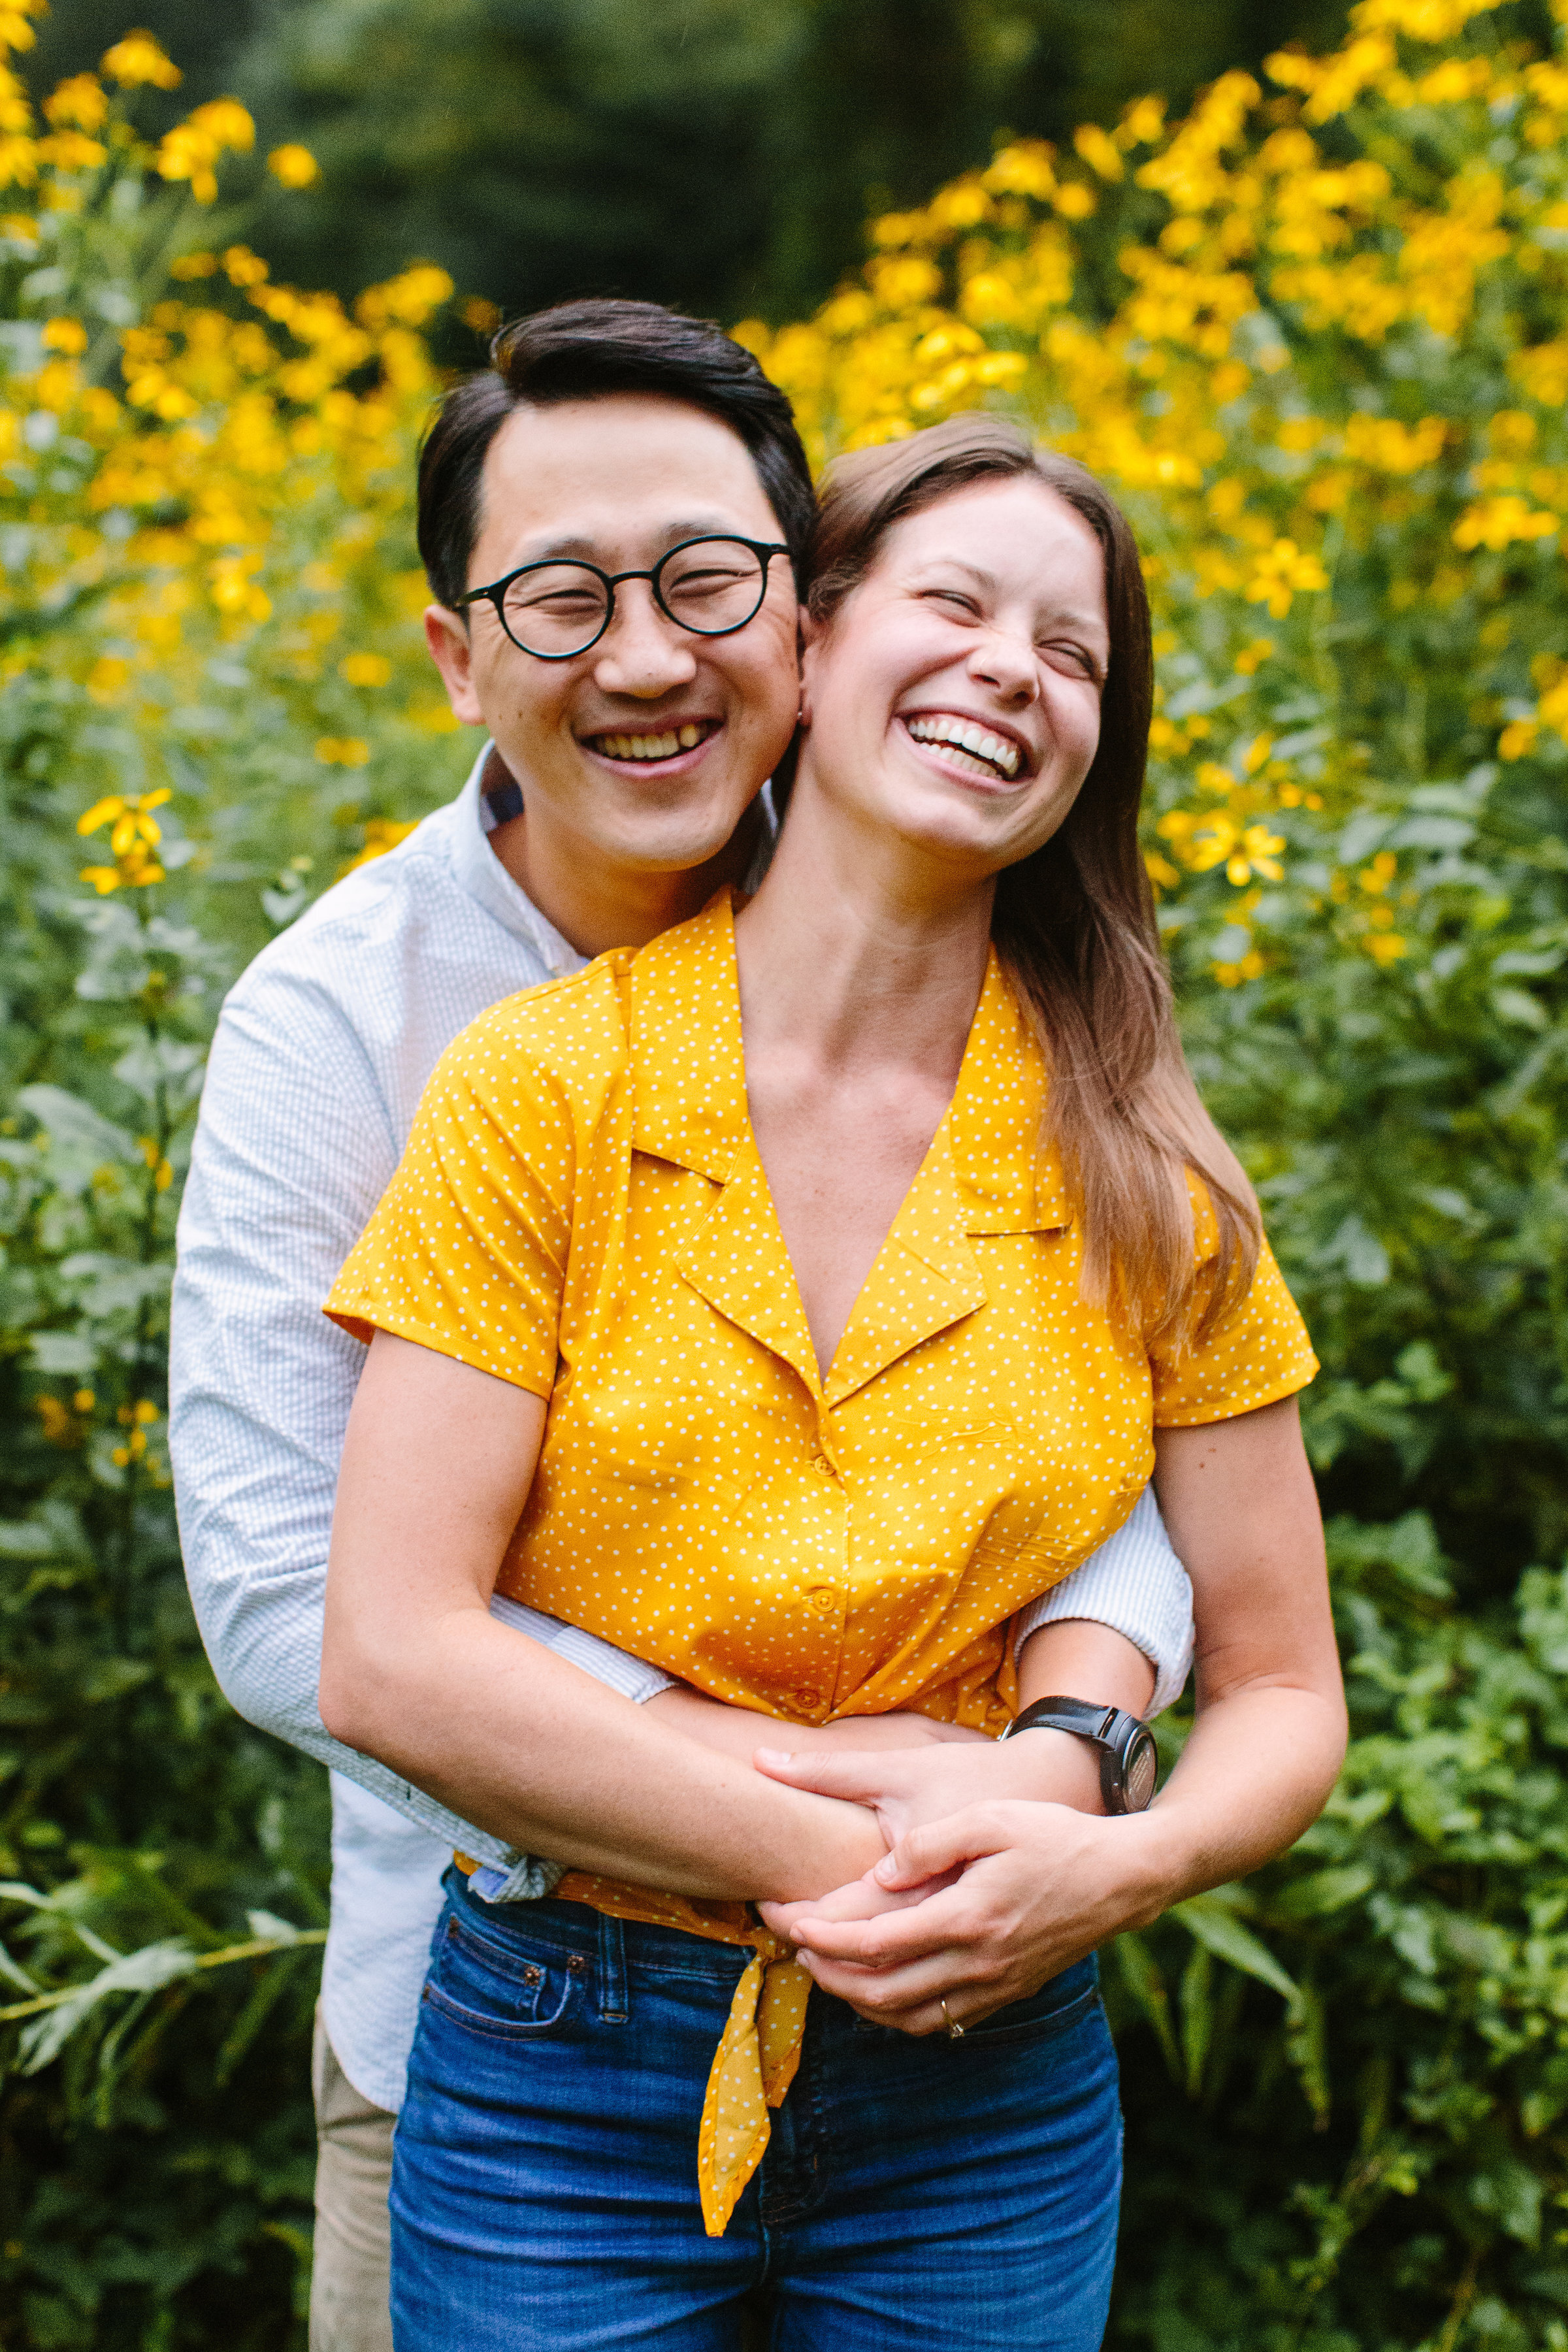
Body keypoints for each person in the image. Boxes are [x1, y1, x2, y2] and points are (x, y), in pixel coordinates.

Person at [169, 305, 1196, 2352]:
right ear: (460, 654)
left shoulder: (974, 933)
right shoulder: (347, 1026)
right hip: (509, 2031)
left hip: (947, 2016)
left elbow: (1108, 1448)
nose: (645, 660)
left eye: (705, 582)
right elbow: (299, 1607)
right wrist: (839, 1786)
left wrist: (1074, 1743)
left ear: (809, 618)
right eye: (560, 598)